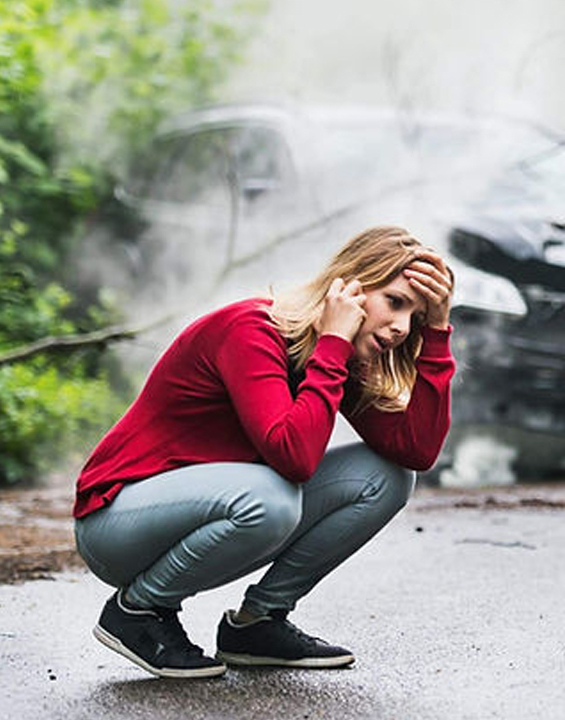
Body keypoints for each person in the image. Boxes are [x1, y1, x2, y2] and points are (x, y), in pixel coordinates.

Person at [72, 226, 455, 678]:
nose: (401, 327)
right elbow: (293, 457)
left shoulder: (338, 357)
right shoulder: (251, 329)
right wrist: (332, 345)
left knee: (386, 477)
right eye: (395, 303)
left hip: (209, 514)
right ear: (350, 287)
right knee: (272, 497)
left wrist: (438, 334)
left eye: (416, 316)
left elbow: (416, 450)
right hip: (116, 522)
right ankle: (138, 611)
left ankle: (257, 624)